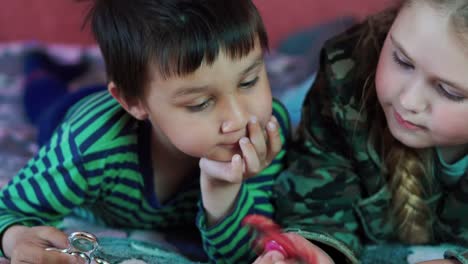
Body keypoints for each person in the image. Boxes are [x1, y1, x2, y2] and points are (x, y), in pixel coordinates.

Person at [0, 0, 291, 263]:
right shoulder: (88, 145)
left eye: (249, 81)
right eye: (201, 103)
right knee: (44, 101)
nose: (239, 117)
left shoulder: (264, 130)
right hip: (72, 115)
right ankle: (37, 67)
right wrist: (14, 237)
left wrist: (225, 192)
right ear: (133, 102)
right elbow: (9, 210)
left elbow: (245, 255)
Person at [253, 0, 468, 263]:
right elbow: (316, 201)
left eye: (449, 91)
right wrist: (316, 252)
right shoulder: (345, 75)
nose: (409, 101)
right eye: (402, 60)